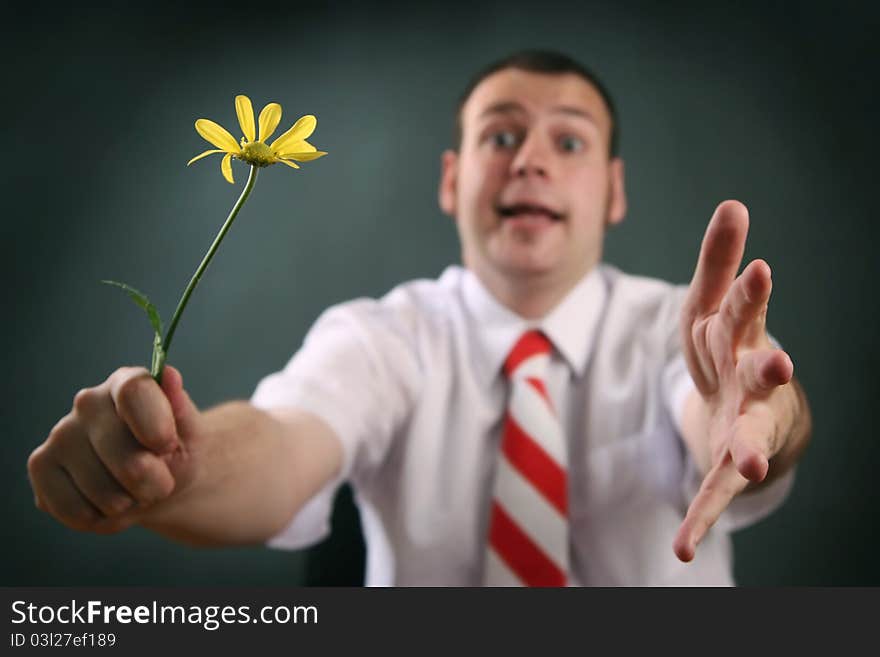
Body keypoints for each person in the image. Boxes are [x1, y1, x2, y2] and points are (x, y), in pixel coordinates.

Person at [27, 50, 812, 586]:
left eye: (567, 141)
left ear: (612, 190)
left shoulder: (670, 327)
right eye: (500, 135)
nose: (530, 159)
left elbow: (739, 403)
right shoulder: (383, 337)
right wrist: (179, 467)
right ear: (451, 179)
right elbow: (282, 442)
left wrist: (753, 419)